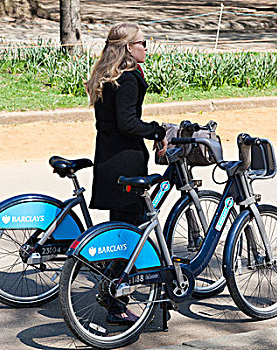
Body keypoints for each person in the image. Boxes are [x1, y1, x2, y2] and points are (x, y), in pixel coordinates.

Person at [84, 22, 168, 325]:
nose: (147, 47)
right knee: (127, 237)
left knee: (119, 231)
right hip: (125, 163)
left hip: (107, 158)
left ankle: (114, 293)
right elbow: (128, 123)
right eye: (143, 42)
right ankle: (116, 305)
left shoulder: (107, 75)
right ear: (128, 48)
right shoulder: (128, 77)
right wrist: (157, 130)